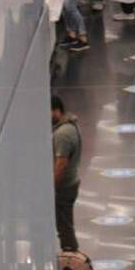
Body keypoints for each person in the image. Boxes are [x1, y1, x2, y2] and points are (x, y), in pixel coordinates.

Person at [51, 96, 82, 251]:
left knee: (64, 226)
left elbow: (60, 164)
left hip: (64, 186)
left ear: (56, 110)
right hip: (72, 181)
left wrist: (53, 188)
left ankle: (71, 259)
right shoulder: (71, 126)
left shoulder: (62, 134)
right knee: (65, 223)